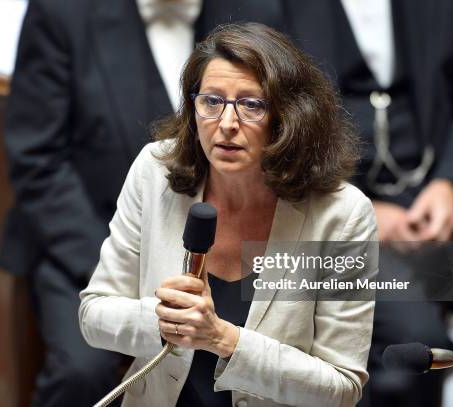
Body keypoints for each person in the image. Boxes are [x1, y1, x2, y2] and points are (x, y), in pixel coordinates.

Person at [0, 0, 284, 405]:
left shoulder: (255, 11)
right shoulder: (62, 12)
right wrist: (127, 275)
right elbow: (37, 159)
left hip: (232, 246)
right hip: (82, 244)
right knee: (81, 372)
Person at [80, 23, 378, 407]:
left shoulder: (343, 214)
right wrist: (165, 319)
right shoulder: (155, 172)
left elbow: (341, 386)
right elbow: (93, 315)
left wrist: (222, 338)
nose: (226, 124)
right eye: (212, 101)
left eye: (251, 105)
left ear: (289, 117)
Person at [280, 1, 453, 405]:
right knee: (414, 345)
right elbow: (268, 113)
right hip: (330, 208)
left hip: (450, 193)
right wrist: (358, 209)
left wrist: (451, 182)